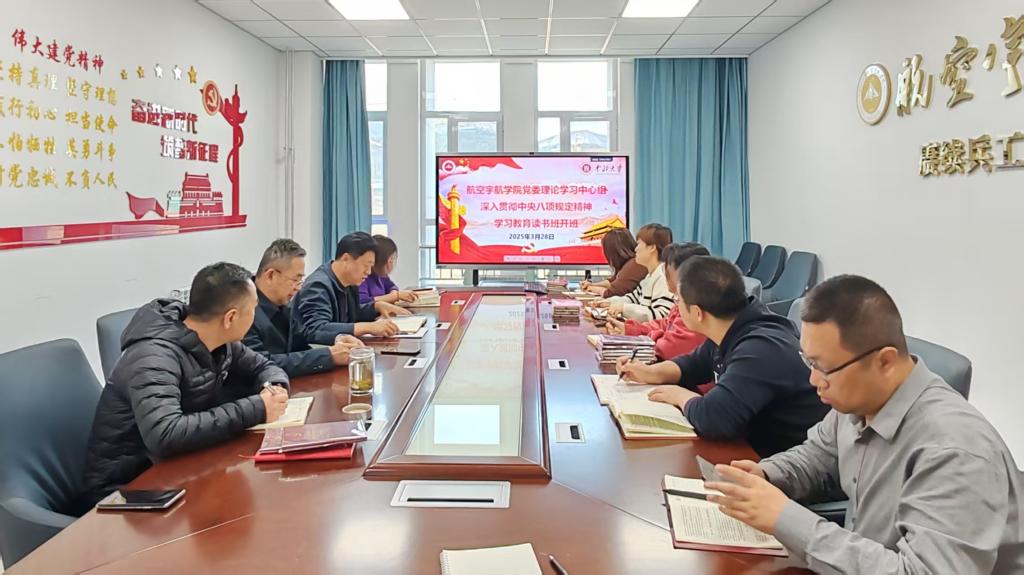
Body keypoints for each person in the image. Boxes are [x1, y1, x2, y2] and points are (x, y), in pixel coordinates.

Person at [704, 275, 1024, 574]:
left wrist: (785, 518)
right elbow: (818, 455)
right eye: (809, 362)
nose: (814, 380)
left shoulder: (955, 450)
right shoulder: (858, 400)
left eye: (824, 368)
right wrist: (767, 474)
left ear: (884, 361)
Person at [79, 262, 291, 508]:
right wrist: (257, 408)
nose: (256, 316)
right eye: (253, 309)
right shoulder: (154, 357)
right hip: (129, 492)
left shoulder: (221, 342)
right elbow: (166, 434)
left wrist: (273, 387)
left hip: (179, 468)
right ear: (231, 318)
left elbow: (263, 367)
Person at [617, 256, 827, 457]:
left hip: (782, 461)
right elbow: (694, 364)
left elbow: (714, 418)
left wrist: (678, 395)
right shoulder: (733, 326)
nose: (676, 306)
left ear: (697, 313)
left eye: (678, 300)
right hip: (753, 448)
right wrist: (650, 372)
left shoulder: (759, 349)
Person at [244, 239, 364, 377]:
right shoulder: (244, 310)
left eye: (300, 281)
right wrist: (328, 356)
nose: (298, 288)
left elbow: (304, 336)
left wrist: (338, 339)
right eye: (295, 280)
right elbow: (260, 364)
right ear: (271, 275)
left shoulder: (282, 304)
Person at [295, 231, 408, 344]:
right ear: (346, 259)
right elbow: (316, 328)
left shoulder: (350, 282)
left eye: (371, 267)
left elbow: (353, 314)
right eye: (365, 266)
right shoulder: (318, 286)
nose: (368, 272)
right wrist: (369, 327)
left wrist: (376, 306)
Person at [605, 242, 708, 362]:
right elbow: (664, 324)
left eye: (639, 243)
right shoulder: (680, 299)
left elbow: (668, 348)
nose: (635, 249)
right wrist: (629, 329)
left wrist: (645, 339)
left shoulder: (694, 306)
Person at [603, 223, 674, 322]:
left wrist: (623, 308)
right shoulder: (650, 276)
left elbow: (661, 317)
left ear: (652, 247)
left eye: (639, 244)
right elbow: (632, 298)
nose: (635, 249)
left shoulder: (663, 277)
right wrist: (608, 302)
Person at [581, 228, 647, 298]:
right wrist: (592, 285)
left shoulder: (634, 265)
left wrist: (591, 288)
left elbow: (611, 293)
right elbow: (613, 282)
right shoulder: (629, 263)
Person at [359, 235, 419, 306]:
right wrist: (395, 296)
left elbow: (392, 286)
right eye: (393, 258)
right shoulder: (362, 278)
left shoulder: (382, 276)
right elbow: (363, 302)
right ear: (389, 260)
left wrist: (394, 293)